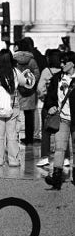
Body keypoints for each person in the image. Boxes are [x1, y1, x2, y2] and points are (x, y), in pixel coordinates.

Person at [0, 49, 35, 167]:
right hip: (12, 105)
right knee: (12, 135)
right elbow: (25, 82)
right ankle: (13, 160)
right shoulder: (15, 72)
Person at [44, 51, 75, 190]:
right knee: (59, 148)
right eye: (61, 61)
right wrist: (51, 106)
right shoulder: (57, 78)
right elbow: (49, 97)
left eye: (64, 62)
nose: (61, 64)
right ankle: (56, 178)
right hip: (62, 118)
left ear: (72, 63)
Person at [36, 49, 62, 167]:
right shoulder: (63, 71)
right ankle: (64, 158)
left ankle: (45, 157)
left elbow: (40, 88)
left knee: (46, 132)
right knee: (62, 132)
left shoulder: (47, 71)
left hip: (49, 104)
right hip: (62, 105)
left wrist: (42, 97)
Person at [13, 38, 40, 145]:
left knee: (15, 116)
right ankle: (29, 139)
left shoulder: (15, 60)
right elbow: (37, 75)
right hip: (30, 91)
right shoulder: (32, 60)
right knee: (29, 116)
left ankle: (14, 137)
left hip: (19, 90)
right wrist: (30, 82)